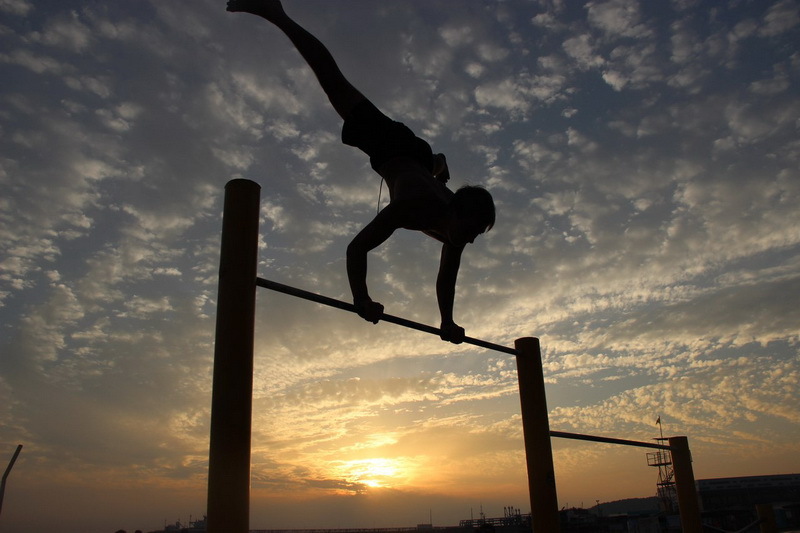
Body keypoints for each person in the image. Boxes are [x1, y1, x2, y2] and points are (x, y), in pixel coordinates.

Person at [227, 0, 495, 344]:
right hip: (392, 146)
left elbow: (446, 277)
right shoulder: (413, 207)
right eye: (471, 230)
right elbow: (356, 249)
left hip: (421, 162)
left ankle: (438, 165)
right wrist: (361, 300)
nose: (471, 239)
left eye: (475, 234)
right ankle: (275, 12)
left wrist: (448, 322)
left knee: (429, 167)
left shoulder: (456, 231)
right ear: (456, 210)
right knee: (332, 81)